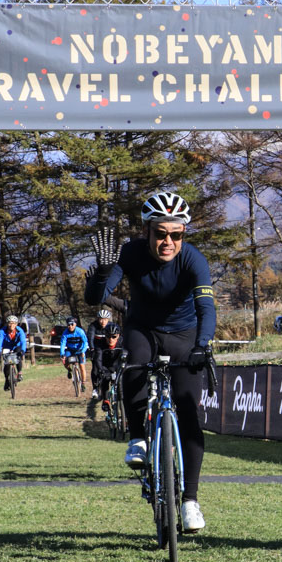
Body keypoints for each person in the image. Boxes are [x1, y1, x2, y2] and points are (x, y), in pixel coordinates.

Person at [85, 191, 216, 534]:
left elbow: (206, 308)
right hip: (142, 328)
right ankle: (139, 437)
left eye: (177, 234)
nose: (168, 241)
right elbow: (95, 298)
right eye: (161, 233)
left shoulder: (193, 260)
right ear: (148, 231)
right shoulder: (130, 252)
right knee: (134, 366)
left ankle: (190, 501)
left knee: (189, 413)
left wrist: (202, 346)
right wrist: (102, 276)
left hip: (184, 334)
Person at [87, 308, 115, 399]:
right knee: (95, 368)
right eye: (101, 319)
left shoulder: (111, 326)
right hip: (96, 348)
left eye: (105, 319)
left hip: (107, 349)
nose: (103, 322)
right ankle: (95, 388)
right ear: (98, 319)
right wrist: (91, 349)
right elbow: (90, 338)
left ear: (108, 320)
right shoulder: (93, 326)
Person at [0, 315, 28, 390]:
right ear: (7, 324)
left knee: (18, 355)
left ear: (16, 324)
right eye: (10, 323)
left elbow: (23, 341)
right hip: (7, 346)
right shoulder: (2, 331)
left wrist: (23, 350)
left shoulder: (20, 331)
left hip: (17, 346)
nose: (11, 325)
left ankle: (19, 373)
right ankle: (7, 380)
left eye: (13, 323)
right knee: (6, 364)